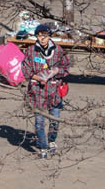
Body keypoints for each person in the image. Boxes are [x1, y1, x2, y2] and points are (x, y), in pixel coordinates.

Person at [21, 24, 70, 159]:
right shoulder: (31, 51)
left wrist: (56, 71)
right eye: (39, 36)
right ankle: (42, 147)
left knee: (55, 120)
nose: (42, 38)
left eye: (45, 36)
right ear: (36, 36)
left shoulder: (58, 50)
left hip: (54, 92)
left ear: (49, 36)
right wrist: (38, 78)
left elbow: (66, 68)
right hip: (37, 92)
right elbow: (25, 70)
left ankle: (52, 140)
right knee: (39, 122)